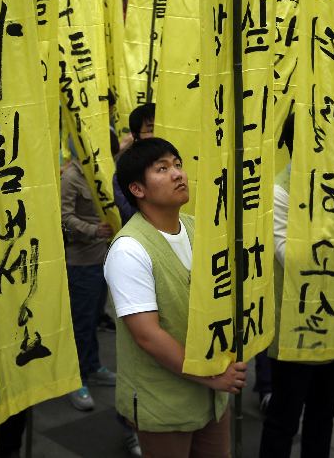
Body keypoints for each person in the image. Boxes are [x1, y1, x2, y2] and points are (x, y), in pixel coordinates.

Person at [105, 137, 246, 457]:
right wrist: (212, 376)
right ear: (137, 189)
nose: (178, 174)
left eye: (178, 164)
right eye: (163, 168)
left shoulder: (199, 229)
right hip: (163, 400)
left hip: (212, 394)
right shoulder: (129, 249)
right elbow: (147, 336)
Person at [259, 114, 334, 458]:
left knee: (324, 415)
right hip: (295, 321)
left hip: (333, 318)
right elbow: (289, 256)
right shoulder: (281, 190)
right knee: (284, 417)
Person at [61, 157, 117, 411]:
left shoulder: (102, 170)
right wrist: (92, 230)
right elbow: (64, 217)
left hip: (102, 257)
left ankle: (92, 366)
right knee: (80, 322)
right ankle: (75, 380)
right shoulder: (72, 177)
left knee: (94, 317)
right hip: (80, 261)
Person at [114, 103, 156, 224]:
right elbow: (129, 213)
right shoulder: (125, 169)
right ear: (135, 135)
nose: (157, 133)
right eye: (151, 129)